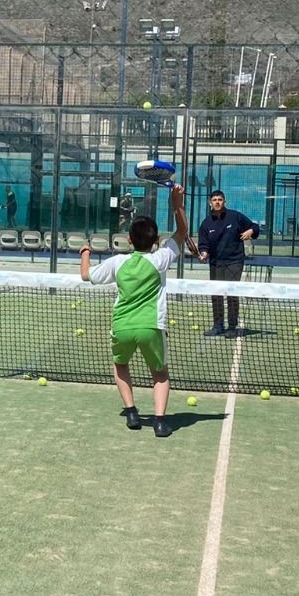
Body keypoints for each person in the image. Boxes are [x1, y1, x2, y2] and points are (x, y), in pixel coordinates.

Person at [81, 181, 194, 438]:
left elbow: (86, 275)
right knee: (160, 374)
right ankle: (160, 422)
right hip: (151, 326)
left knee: (120, 365)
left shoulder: (118, 262)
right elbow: (183, 231)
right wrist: (177, 206)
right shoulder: (160, 259)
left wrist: (85, 251)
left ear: (129, 239)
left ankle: (131, 411)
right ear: (156, 241)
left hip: (122, 326)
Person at [194, 190, 261, 337]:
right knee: (216, 293)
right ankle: (218, 325)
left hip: (235, 261)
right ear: (210, 203)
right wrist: (204, 254)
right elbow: (204, 245)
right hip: (216, 262)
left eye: (220, 199)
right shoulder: (206, 223)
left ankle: (232, 326)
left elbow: (255, 227)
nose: (217, 202)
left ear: (224, 201)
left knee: (231, 292)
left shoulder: (235, 217)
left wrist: (250, 231)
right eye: (214, 200)